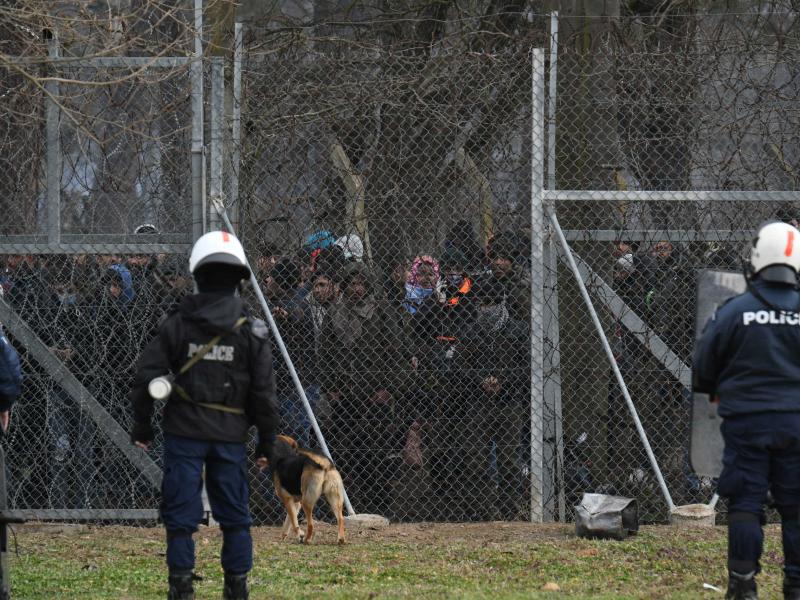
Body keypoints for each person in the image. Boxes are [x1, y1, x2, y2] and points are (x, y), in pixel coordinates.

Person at [129, 230, 278, 600]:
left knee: (180, 514)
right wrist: (268, 442)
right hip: (230, 434)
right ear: (239, 278)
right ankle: (236, 586)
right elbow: (264, 394)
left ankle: (181, 585)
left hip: (184, 431)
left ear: (197, 271)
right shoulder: (251, 330)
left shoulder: (177, 322)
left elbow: (144, 377)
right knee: (235, 515)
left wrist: (143, 425)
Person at [693, 221, 800, 600]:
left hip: (747, 422)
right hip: (796, 423)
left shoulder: (736, 309)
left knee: (746, 502)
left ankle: (742, 584)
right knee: (796, 505)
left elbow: (703, 368)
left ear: (757, 258)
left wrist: (717, 388)